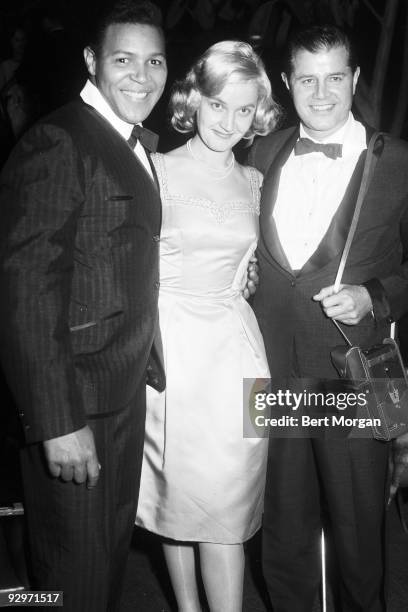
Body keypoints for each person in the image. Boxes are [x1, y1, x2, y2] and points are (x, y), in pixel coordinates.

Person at [247, 24, 408, 612]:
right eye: (307, 80)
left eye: (335, 77)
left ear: (355, 79)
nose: (321, 94)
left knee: (359, 528)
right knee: (282, 524)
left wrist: (378, 294)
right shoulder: (261, 151)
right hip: (273, 367)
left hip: (354, 369)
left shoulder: (406, 164)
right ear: (287, 83)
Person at [0, 2, 167, 610]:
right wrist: (57, 422)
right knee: (74, 577)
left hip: (119, 396)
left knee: (101, 570)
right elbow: (24, 290)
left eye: (154, 61)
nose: (141, 76)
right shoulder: (58, 140)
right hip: (76, 406)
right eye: (124, 59)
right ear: (93, 62)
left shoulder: (128, 142)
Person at [135, 40, 280, 612]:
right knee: (177, 495)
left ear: (257, 116)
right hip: (172, 349)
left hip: (236, 350)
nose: (228, 120)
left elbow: (252, 267)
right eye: (218, 104)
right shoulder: (155, 170)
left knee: (226, 505)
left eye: (244, 109)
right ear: (195, 100)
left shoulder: (254, 181)